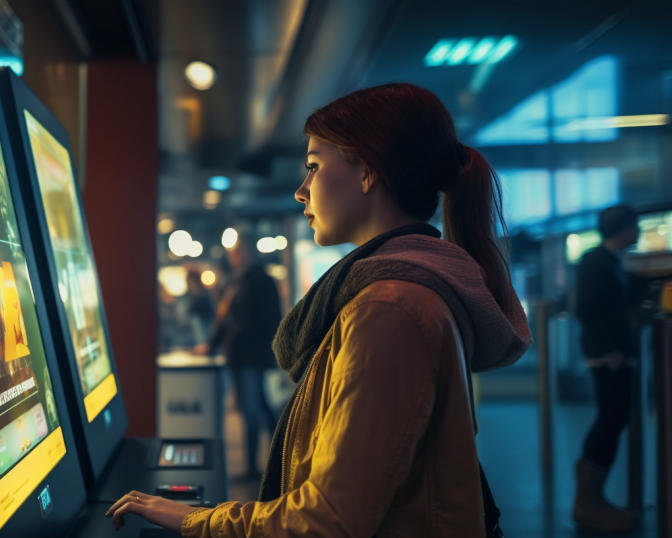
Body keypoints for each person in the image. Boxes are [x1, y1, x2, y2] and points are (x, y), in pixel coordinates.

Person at [107, 83, 531, 537]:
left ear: (367, 171)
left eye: (313, 167)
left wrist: (198, 518)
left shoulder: (389, 307)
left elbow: (328, 520)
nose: (301, 190)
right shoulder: (399, 292)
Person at [572, 205, 641, 534]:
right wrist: (609, 349)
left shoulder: (609, 262)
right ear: (625, 229)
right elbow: (586, 308)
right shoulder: (596, 261)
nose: (638, 231)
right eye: (635, 226)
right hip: (608, 357)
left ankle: (593, 500)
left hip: (613, 355)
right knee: (610, 420)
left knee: (613, 420)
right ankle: (588, 502)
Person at [201, 237, 281, 478]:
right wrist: (211, 345)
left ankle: (257, 467)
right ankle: (278, 461)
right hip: (243, 356)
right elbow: (226, 318)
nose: (234, 257)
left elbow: (257, 321)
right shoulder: (240, 281)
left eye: (238, 251)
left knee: (252, 410)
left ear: (247, 252)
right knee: (260, 408)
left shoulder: (257, 281)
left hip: (250, 356)